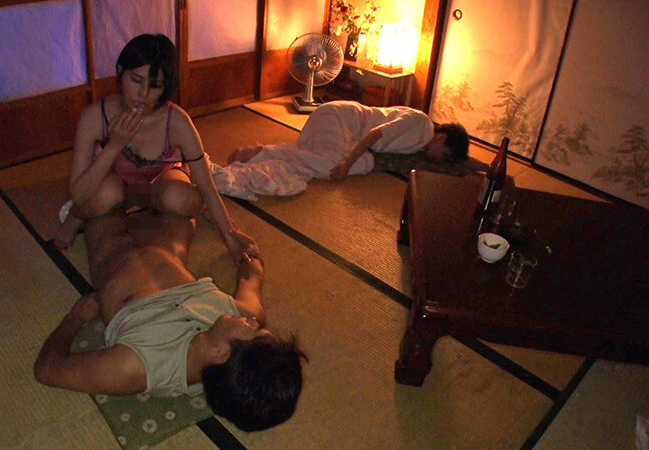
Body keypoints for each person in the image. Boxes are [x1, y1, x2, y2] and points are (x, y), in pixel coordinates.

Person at [34, 207, 307, 432]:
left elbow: (46, 370)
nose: (253, 322)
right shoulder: (241, 318)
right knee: (182, 196)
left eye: (254, 331)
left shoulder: (135, 366)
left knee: (103, 196)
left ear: (221, 354)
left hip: (116, 255)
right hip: (170, 249)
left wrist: (74, 320)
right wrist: (246, 249)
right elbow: (251, 277)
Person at [54, 34, 244, 265]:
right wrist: (115, 144)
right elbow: (78, 193)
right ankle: (76, 217)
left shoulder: (177, 121)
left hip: (160, 181)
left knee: (185, 200)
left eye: (155, 86)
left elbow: (207, 188)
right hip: (116, 183)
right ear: (120, 72)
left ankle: (145, 204)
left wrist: (232, 238)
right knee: (102, 196)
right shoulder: (95, 116)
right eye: (136, 80)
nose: (143, 94)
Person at [221, 101, 486, 198]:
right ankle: (260, 152)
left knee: (309, 164)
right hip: (340, 120)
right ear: (442, 138)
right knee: (332, 167)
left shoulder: (422, 139)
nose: (440, 160)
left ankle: (265, 157)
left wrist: (491, 170)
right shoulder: (422, 126)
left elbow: (463, 162)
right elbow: (374, 134)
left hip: (340, 128)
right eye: (445, 155)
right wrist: (346, 164)